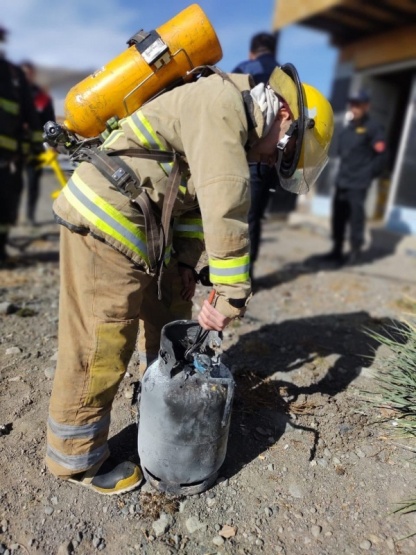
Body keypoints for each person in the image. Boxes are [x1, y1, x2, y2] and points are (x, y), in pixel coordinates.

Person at [45, 64, 334, 494]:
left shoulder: (226, 117)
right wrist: (230, 295)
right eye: (281, 154)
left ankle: (160, 397)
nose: (271, 161)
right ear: (286, 117)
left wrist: (184, 265)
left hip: (143, 227)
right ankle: (78, 460)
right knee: (100, 342)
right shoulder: (222, 109)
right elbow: (225, 203)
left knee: (171, 314)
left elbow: (193, 202)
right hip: (105, 222)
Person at [232, 32, 280, 280]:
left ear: (252, 51)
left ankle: (234, 278)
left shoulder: (243, 68)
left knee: (236, 214)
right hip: (268, 161)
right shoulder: (284, 75)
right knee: (255, 218)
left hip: (243, 155)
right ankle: (247, 275)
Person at [321, 89, 386, 265]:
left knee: (356, 217)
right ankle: (336, 250)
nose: (354, 107)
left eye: (358, 104)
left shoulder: (373, 127)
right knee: (339, 216)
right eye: (352, 104)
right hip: (342, 179)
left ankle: (355, 252)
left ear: (366, 106)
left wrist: (369, 174)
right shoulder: (348, 127)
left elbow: (382, 155)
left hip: (358, 182)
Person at [0, 27, 43, 264]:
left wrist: (35, 150)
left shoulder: (14, 75)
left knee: (6, 208)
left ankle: (0, 252)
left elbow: (31, 116)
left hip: (9, 160)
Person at [20, 60, 56, 225]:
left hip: (35, 149)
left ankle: (29, 216)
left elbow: (50, 122)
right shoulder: (10, 92)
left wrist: (54, 145)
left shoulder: (41, 97)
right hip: (13, 148)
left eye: (28, 73)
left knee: (33, 184)